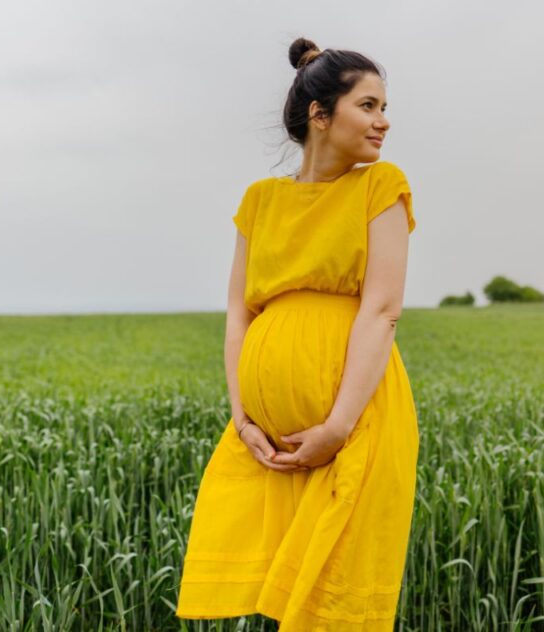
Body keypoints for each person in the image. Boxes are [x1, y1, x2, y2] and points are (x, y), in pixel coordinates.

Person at [175, 36, 419, 631]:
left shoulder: (380, 186)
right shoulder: (260, 201)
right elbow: (239, 314)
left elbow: (382, 311)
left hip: (353, 426)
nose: (384, 121)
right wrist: (243, 420)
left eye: (384, 108)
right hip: (264, 445)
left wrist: (336, 427)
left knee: (332, 606)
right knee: (269, 598)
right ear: (320, 114)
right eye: (368, 106)